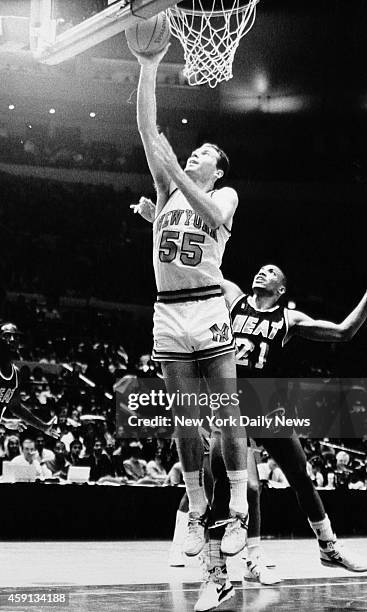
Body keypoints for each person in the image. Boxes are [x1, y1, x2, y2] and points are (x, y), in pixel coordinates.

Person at [128, 45, 249, 558]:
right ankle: (197, 508)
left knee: (225, 411)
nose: (195, 154)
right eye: (193, 150)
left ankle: (238, 510)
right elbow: (148, 130)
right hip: (167, 311)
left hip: (206, 307)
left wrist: (178, 174)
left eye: (205, 154)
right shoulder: (169, 186)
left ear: (217, 170)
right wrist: (149, 68)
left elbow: (212, 217)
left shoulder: (224, 195)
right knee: (183, 418)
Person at [195, 264, 367, 612]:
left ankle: (328, 546)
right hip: (228, 404)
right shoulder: (233, 297)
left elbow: (343, 331)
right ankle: (216, 575)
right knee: (229, 487)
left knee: (301, 476)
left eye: (271, 272)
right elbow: (200, 268)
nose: (262, 272)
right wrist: (158, 222)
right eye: (260, 269)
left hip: (267, 406)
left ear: (282, 289)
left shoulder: (289, 320)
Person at [0, 323, 58, 439]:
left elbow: (15, 406)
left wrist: (43, 426)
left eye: (15, 336)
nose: (12, 340)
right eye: (7, 336)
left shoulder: (15, 374)